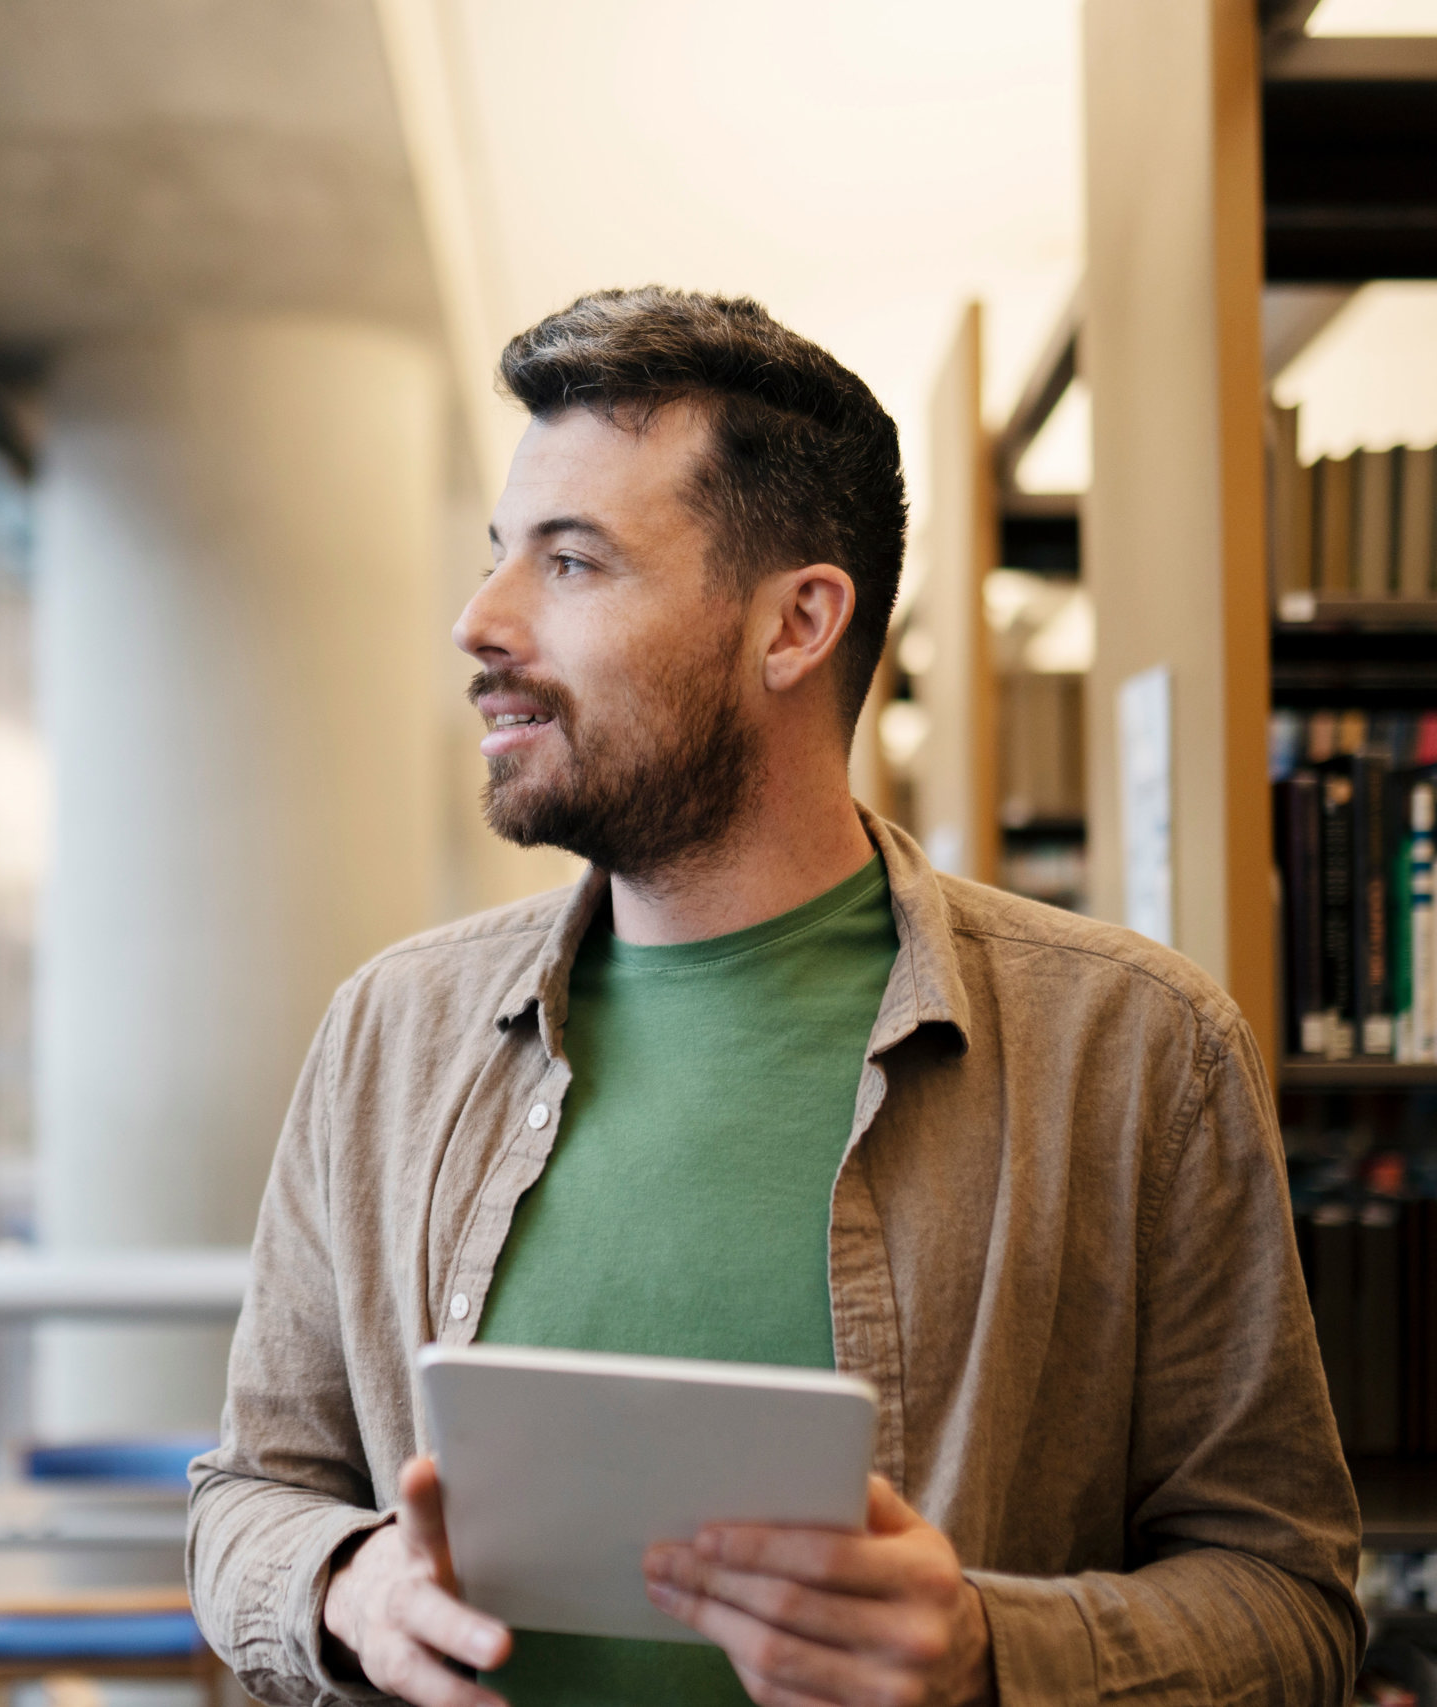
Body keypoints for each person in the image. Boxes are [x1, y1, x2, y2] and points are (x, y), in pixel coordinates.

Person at [184, 287, 1360, 1707]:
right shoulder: (389, 1036)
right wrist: (344, 1587)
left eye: (571, 564)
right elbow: (251, 1491)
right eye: (502, 556)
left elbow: (1290, 1605)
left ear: (796, 623)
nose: (479, 622)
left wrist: (994, 1653)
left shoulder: (1133, 1052)